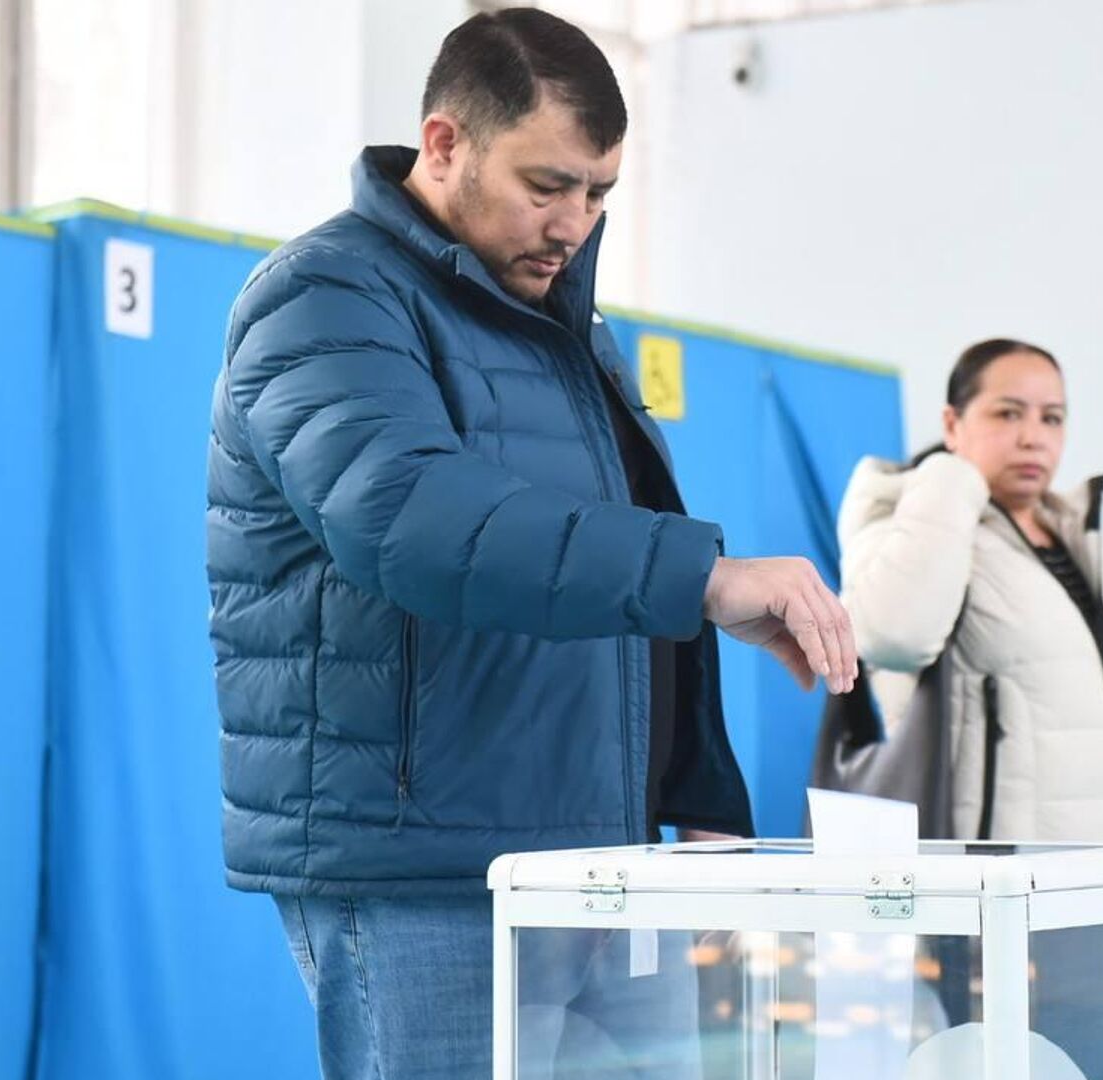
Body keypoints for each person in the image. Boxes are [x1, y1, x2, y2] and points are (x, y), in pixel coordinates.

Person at [205, 9, 855, 1078]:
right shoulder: (323, 298)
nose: (574, 224)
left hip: (598, 858)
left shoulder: (559, 326)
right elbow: (416, 522)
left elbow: (610, 562)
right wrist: (707, 578)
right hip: (427, 874)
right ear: (445, 142)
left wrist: (697, 793)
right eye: (547, 185)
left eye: (599, 193)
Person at [836, 337, 1103, 1078]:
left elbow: (1095, 723)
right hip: (1004, 897)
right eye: (1008, 413)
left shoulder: (1077, 541)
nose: (1034, 436)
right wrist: (950, 476)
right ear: (953, 421)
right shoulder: (914, 517)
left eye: (1052, 417)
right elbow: (892, 635)